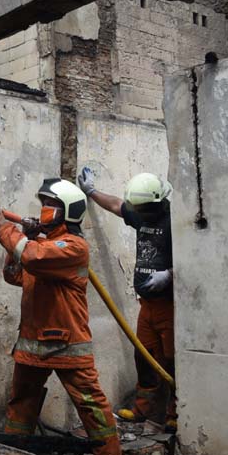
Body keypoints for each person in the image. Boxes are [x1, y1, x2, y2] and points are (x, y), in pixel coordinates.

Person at [0, 178, 122, 455]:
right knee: (21, 403)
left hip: (67, 345)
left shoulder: (73, 247)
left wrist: (4, 227)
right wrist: (24, 235)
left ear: (68, 211)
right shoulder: (42, 245)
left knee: (90, 404)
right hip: (31, 345)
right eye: (44, 204)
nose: (45, 209)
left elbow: (33, 257)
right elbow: (13, 274)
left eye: (51, 205)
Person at [77, 167, 177, 432]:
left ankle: (176, 414)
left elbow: (197, 256)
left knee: (172, 360)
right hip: (147, 304)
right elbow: (115, 205)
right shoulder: (140, 213)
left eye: (143, 209)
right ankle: (142, 409)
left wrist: (170, 274)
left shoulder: (175, 221)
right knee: (143, 356)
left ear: (157, 202)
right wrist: (91, 191)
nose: (139, 213)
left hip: (169, 305)